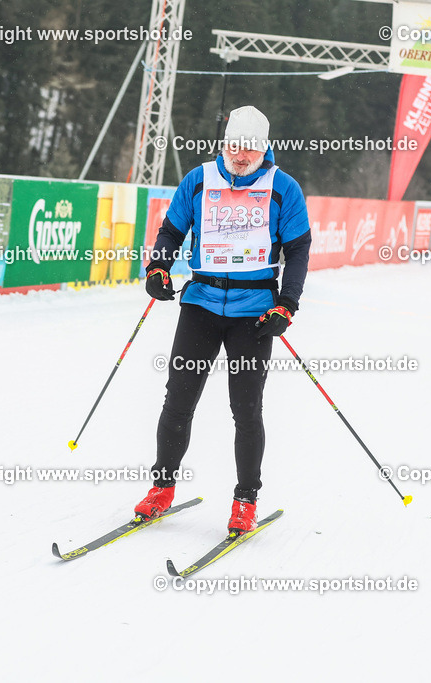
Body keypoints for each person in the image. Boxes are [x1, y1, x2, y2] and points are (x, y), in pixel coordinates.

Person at [134, 105, 311, 535]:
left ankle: (245, 498)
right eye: (235, 145)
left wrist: (286, 305)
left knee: (246, 409)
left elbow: (299, 250)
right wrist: (158, 268)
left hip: (254, 314)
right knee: (178, 400)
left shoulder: (283, 189)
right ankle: (162, 487)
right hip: (201, 303)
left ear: (264, 147)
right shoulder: (198, 180)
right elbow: (172, 232)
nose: (242, 154)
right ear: (224, 144)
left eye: (250, 147)